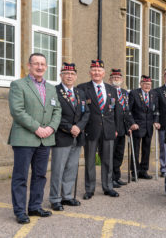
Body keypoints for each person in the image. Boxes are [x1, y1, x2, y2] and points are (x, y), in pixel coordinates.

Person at [8, 53, 61, 224]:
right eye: (36, 63)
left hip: (45, 139)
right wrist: (37, 128)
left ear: (46, 67)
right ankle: (20, 211)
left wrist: (51, 127)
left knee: (40, 175)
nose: (39, 67)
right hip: (25, 138)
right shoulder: (18, 85)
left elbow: (57, 110)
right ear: (28, 65)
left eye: (42, 64)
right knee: (20, 177)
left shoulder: (52, 88)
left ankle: (35, 206)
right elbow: (17, 111)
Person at [49, 63, 90, 211]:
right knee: (58, 169)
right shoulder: (54, 91)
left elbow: (87, 113)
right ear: (61, 76)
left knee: (72, 168)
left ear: (76, 76)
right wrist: (69, 127)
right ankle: (55, 199)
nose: (69, 76)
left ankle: (67, 196)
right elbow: (53, 114)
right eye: (66, 73)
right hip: (62, 137)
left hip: (77, 136)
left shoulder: (80, 92)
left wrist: (78, 127)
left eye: (72, 74)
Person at [77, 60, 120, 198]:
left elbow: (117, 111)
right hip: (90, 129)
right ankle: (89, 189)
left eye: (99, 70)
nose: (96, 73)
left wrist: (116, 128)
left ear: (104, 73)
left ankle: (108, 186)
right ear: (90, 72)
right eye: (94, 70)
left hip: (108, 129)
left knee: (107, 160)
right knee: (90, 161)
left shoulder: (112, 89)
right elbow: (80, 110)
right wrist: (81, 127)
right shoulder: (82, 88)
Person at [109, 69, 138, 188]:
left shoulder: (125, 93)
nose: (116, 79)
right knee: (110, 155)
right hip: (112, 129)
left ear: (122, 79)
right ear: (110, 79)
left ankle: (117, 176)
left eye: (118, 77)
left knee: (119, 155)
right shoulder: (108, 91)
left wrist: (130, 125)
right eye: (114, 77)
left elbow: (127, 111)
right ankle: (110, 179)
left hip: (122, 129)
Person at [128, 75, 160, 180]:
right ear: (141, 84)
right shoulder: (134, 93)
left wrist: (156, 121)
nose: (147, 86)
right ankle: (135, 171)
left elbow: (156, 110)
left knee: (147, 149)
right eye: (145, 84)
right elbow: (129, 111)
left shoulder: (154, 94)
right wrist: (132, 123)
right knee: (136, 150)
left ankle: (144, 170)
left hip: (149, 126)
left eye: (149, 84)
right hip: (137, 126)